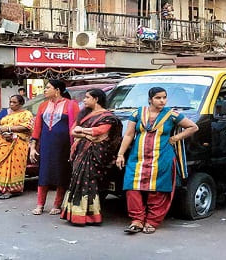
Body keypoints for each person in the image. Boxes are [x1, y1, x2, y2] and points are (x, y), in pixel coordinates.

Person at [116, 87, 198, 234]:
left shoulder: (172, 115)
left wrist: (175, 138)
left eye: (164, 97)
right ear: (150, 99)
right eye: (158, 98)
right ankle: (137, 220)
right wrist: (120, 154)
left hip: (162, 158)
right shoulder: (138, 113)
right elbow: (128, 135)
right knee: (132, 187)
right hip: (138, 158)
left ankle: (152, 222)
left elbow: (193, 127)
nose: (162, 101)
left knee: (159, 190)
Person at [60, 88, 122, 225]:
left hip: (96, 154)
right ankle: (75, 214)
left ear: (96, 99)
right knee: (77, 181)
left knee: (89, 182)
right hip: (81, 152)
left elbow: (101, 132)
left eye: (87, 97)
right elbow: (73, 131)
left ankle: (89, 216)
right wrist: (87, 134)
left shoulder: (107, 117)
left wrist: (83, 131)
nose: (84, 100)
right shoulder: (84, 114)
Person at [29, 80, 80, 215]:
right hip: (46, 145)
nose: (45, 90)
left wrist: (75, 145)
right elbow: (37, 128)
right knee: (43, 174)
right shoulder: (43, 105)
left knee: (61, 174)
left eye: (48, 88)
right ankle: (40, 205)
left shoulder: (71, 105)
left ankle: (57, 204)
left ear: (57, 90)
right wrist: (33, 146)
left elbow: (77, 126)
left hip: (64, 145)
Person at [0, 95, 33, 200]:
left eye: (14, 102)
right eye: (10, 102)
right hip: (3, 143)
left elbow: (27, 127)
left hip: (18, 144)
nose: (11, 104)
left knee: (14, 166)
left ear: (21, 104)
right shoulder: (5, 112)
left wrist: (9, 129)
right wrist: (2, 131)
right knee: (0, 166)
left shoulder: (26, 114)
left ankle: (11, 190)